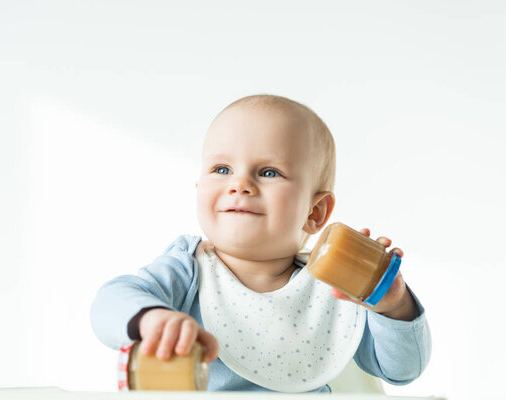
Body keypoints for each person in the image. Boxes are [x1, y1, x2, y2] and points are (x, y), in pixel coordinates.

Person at [90, 94, 431, 392]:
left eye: (268, 172)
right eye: (222, 169)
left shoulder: (334, 285)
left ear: (314, 212)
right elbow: (108, 303)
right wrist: (151, 318)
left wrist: (392, 305)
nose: (239, 184)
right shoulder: (187, 269)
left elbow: (402, 372)